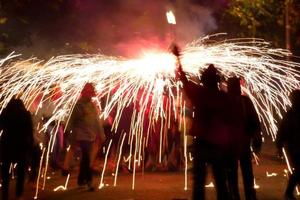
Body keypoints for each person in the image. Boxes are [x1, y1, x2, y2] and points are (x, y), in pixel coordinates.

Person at [172, 44, 231, 200]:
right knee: (220, 181)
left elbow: (183, 79)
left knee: (199, 182)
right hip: (219, 145)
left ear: (204, 81)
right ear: (216, 81)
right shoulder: (223, 97)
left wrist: (177, 58)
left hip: (203, 143)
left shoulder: (200, 93)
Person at [226, 77, 262, 200]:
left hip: (236, 143)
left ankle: (236, 195)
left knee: (236, 173)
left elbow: (254, 121)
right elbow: (255, 121)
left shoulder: (241, 101)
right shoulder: (243, 101)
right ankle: (246, 196)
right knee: (242, 172)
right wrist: (256, 135)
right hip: (236, 142)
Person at [66, 82, 104, 191]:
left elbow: (97, 120)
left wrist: (101, 133)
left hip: (90, 135)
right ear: (84, 93)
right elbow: (72, 120)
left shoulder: (92, 105)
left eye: (92, 93)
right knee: (86, 157)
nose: (91, 95)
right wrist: (69, 133)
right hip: (81, 135)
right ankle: (89, 181)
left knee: (85, 159)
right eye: (89, 93)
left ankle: (80, 181)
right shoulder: (78, 105)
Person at [0, 97, 34, 200]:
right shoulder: (25, 114)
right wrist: (30, 144)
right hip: (21, 146)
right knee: (21, 172)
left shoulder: (5, 113)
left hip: (7, 145)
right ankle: (19, 194)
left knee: (5, 172)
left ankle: (4, 195)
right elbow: (30, 130)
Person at [276, 89, 300, 200]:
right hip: (295, 148)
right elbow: (282, 131)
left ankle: (289, 192)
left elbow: (281, 132)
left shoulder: (290, 114)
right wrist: (279, 146)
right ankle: (289, 192)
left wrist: (279, 146)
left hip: (294, 147)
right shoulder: (290, 115)